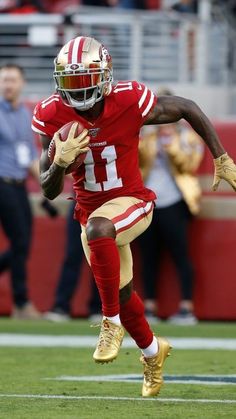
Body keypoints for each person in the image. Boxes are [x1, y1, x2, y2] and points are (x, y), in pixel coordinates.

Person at [32, 36, 236, 397]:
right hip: (89, 210)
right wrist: (59, 163)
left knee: (100, 234)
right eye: (70, 80)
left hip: (132, 200)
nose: (77, 89)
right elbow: (49, 190)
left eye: (85, 79)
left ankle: (108, 323)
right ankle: (153, 352)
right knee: (122, 293)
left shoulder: (128, 100)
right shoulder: (51, 114)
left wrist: (220, 155)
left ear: (105, 76)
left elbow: (186, 106)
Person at [138, 87, 204, 325]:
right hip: (149, 202)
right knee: (149, 257)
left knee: (180, 255)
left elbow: (190, 165)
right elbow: (136, 161)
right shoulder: (148, 137)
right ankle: (149, 306)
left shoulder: (188, 137)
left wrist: (171, 146)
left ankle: (187, 306)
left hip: (176, 202)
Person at [0, 64, 41, 319]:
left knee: (24, 243)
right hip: (1, 181)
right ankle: (22, 302)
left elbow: (29, 155)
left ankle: (22, 301)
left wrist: (49, 184)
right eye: (4, 80)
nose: (8, 85)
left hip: (19, 183)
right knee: (19, 241)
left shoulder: (26, 114)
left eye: (12, 80)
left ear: (22, 83)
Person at [44, 200, 101, 322]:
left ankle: (99, 306)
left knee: (102, 257)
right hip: (81, 203)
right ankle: (61, 305)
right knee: (73, 256)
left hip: (105, 205)